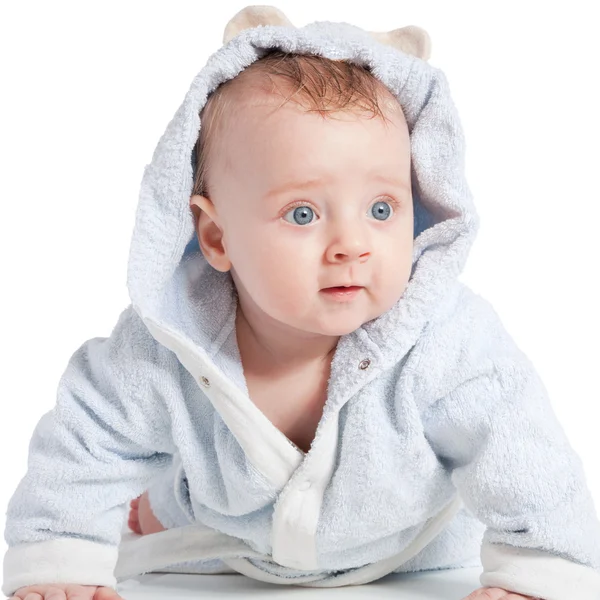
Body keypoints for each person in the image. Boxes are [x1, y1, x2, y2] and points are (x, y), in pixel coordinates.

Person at [3, 6, 599, 600]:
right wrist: (61, 556)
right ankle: (163, 506)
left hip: (408, 543)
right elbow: (90, 437)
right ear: (216, 237)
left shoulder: (446, 339)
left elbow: (520, 447)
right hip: (234, 536)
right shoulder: (167, 345)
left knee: (465, 514)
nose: (352, 246)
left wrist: (538, 571)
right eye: (304, 213)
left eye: (382, 209)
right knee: (183, 498)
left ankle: (163, 505)